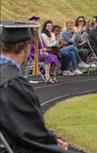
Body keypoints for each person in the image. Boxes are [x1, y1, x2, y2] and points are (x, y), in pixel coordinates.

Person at [0, 20, 76, 152]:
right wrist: (56, 147)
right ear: (27, 47)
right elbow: (29, 134)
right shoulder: (13, 83)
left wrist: (51, 140)